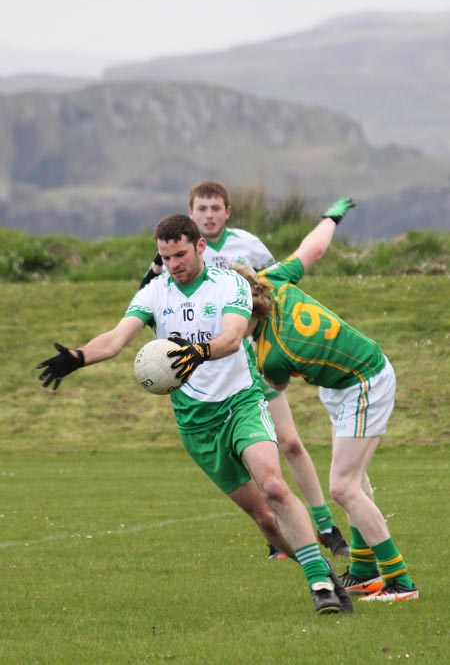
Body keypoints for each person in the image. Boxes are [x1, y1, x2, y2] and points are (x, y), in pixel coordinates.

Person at [37, 213, 352, 615]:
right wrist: (78, 357)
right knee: (264, 519)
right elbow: (117, 339)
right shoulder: (155, 293)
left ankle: (320, 584)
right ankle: (316, 562)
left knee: (273, 486)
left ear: (199, 247)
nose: (174, 265)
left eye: (180, 255)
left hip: (241, 402)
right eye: (166, 258)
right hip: (195, 422)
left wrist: (197, 351)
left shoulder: (230, 284)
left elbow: (234, 336)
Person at [140, 181, 349, 561]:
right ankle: (279, 532)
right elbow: (147, 294)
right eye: (201, 209)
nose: (208, 215)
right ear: (191, 214)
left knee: (289, 443)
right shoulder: (172, 255)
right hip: (205, 374)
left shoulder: (247, 245)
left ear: (227, 212)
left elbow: (272, 290)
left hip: (251, 362)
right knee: (250, 455)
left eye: (215, 208)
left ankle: (325, 526)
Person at [234, 199, 419, 603]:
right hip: (344, 382)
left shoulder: (272, 354)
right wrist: (331, 217)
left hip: (363, 380)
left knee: (343, 487)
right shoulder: (274, 280)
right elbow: (312, 249)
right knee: (357, 480)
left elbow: (273, 388)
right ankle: (367, 573)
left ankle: (400, 581)